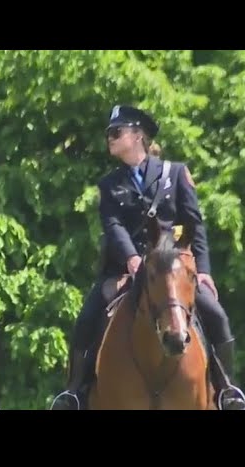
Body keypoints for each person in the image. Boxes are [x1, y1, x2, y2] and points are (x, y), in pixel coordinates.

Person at [50, 104, 245, 410]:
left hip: (174, 269)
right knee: (86, 320)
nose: (110, 138)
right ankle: (74, 391)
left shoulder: (176, 174)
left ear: (138, 136)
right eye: (108, 134)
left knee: (216, 316)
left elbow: (194, 224)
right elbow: (113, 226)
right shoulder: (109, 185)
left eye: (116, 132)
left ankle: (227, 390)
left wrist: (203, 271)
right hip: (124, 271)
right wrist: (130, 257)